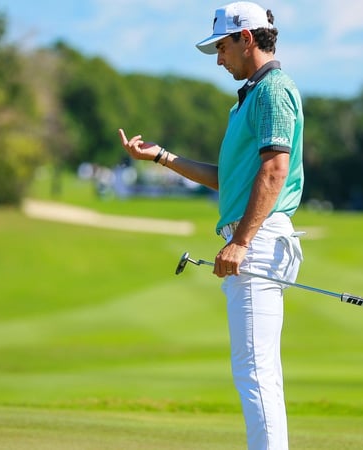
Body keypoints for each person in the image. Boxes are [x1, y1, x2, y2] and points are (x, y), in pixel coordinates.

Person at [118, 2, 304, 449]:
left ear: (247, 38)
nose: (219, 59)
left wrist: (240, 242)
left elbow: (275, 171)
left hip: (257, 239)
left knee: (254, 373)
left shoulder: (273, 90)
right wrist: (162, 157)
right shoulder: (250, 97)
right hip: (255, 237)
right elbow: (229, 177)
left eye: (221, 47)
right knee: (258, 372)